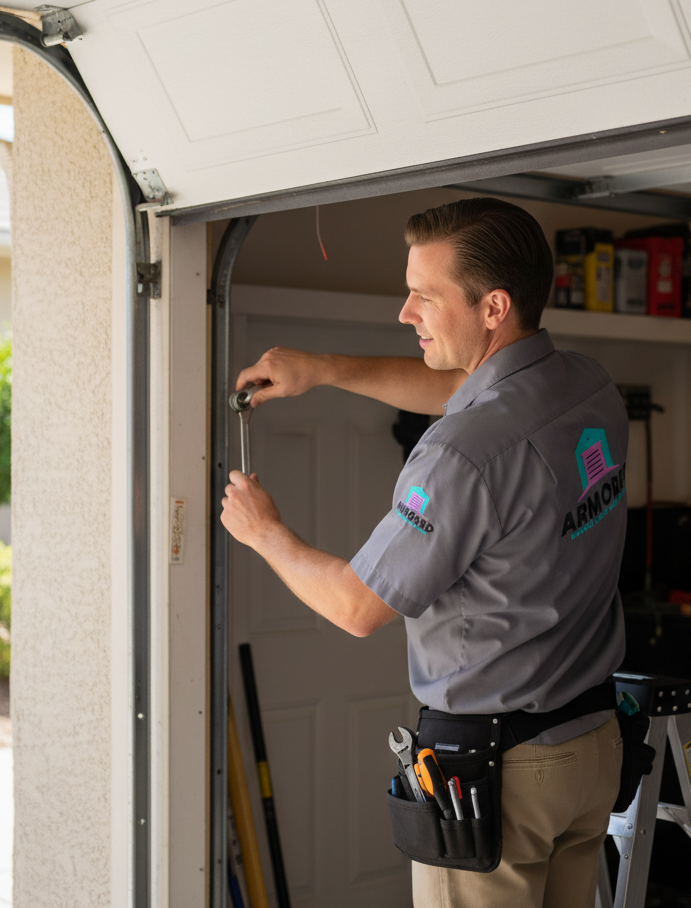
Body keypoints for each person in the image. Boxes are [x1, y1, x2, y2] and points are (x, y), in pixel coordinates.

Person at [220, 197, 628, 908]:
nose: (405, 313)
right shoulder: (584, 385)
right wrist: (321, 368)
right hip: (589, 748)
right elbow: (460, 392)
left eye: (423, 296)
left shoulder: (461, 458)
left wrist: (265, 534)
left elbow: (355, 606)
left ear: (494, 306)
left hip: (504, 776)